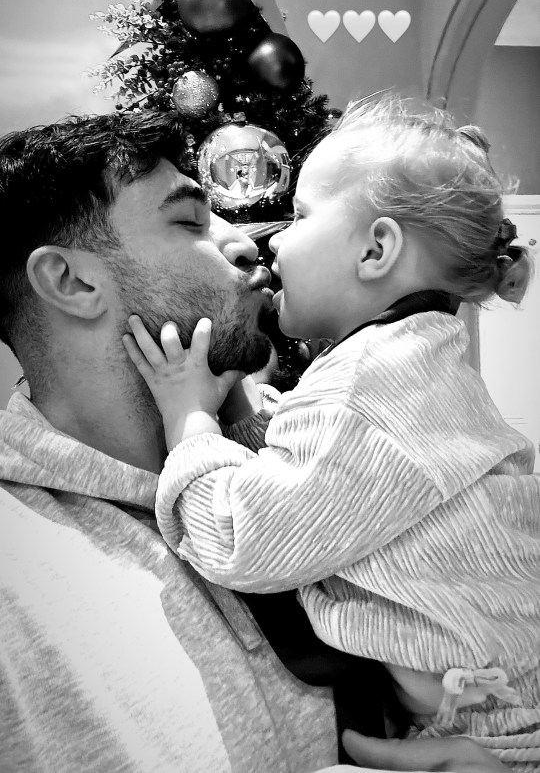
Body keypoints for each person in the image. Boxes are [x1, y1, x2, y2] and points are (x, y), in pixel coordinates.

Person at [0, 108, 509, 773]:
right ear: (73, 283)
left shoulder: (325, 439)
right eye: (189, 220)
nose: (247, 240)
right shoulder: (19, 582)